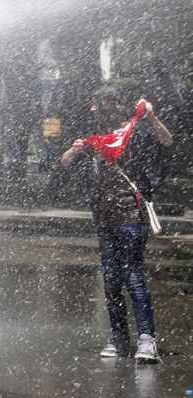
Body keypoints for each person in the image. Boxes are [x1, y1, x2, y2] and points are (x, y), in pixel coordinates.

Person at [60, 88, 173, 363]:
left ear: (116, 108)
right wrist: (73, 151)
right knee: (111, 281)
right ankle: (119, 339)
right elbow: (64, 162)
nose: (97, 112)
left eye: (101, 107)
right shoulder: (97, 140)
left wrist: (153, 117)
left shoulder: (136, 134)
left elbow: (167, 141)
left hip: (132, 217)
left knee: (133, 276)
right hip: (105, 220)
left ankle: (147, 340)